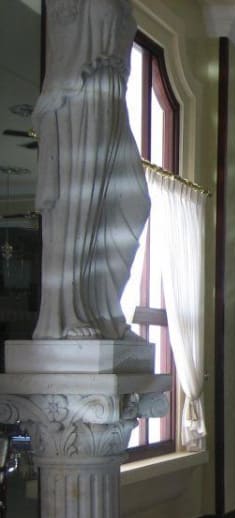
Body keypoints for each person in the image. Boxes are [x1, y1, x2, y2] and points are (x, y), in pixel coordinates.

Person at [32, 0, 150, 341]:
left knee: (133, 204)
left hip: (112, 100)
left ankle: (104, 309)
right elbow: (65, 49)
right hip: (80, 97)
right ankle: (68, 312)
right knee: (78, 208)